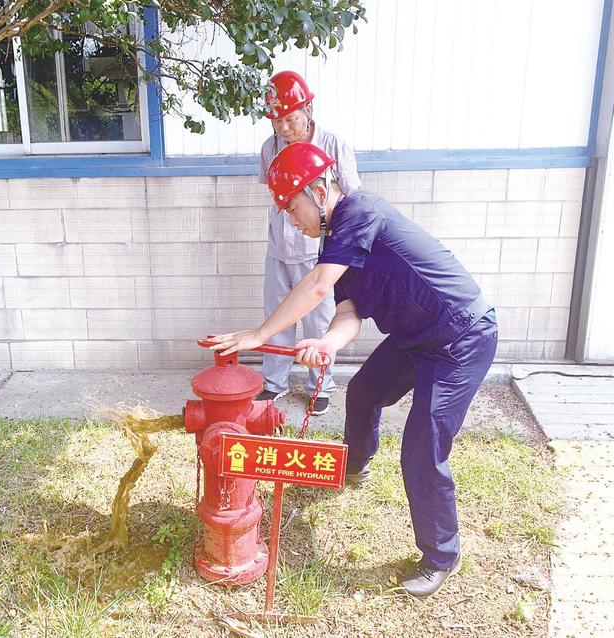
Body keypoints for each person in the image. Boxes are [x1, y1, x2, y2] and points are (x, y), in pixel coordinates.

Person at [211, 142, 498, 598]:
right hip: (415, 337)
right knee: (363, 392)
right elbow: (348, 312)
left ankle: (443, 555)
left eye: (292, 206)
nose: (290, 219)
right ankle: (356, 467)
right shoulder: (338, 244)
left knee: (422, 448)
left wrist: (259, 334)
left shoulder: (359, 210)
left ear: (320, 189)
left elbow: (317, 284)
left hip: (460, 337)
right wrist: (326, 343)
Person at [256, 70, 361, 415]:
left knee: (320, 322)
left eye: (291, 118)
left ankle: (321, 385)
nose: (284, 127)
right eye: (277, 120)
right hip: (279, 248)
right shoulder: (269, 148)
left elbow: (353, 197)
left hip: (318, 252)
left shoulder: (333, 145)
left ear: (308, 109)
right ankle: (274, 384)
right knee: (277, 317)